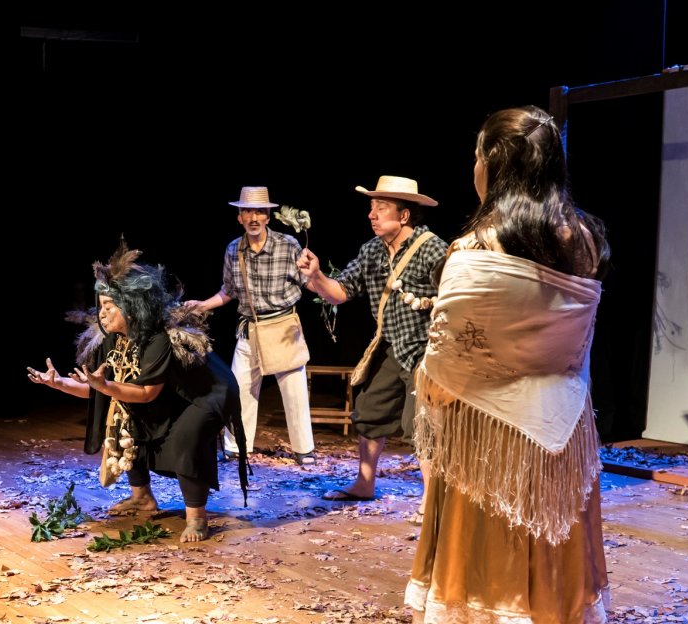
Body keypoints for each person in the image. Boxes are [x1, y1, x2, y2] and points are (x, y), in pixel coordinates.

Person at [404, 105, 611, 624]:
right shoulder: (585, 240)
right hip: (563, 427)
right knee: (551, 548)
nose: (473, 166)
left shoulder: (474, 249)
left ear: (493, 164)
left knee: (487, 559)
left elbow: (447, 360)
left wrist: (436, 405)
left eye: (477, 155)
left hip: (487, 436)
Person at [26, 240, 248, 543]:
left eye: (109, 307)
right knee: (129, 420)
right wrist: (59, 383)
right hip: (170, 391)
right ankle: (142, 497)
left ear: (132, 307)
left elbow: (145, 393)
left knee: (186, 438)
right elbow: (99, 389)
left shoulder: (157, 338)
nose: (102, 314)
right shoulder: (112, 337)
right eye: (101, 306)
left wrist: (105, 386)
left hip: (206, 393)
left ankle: (197, 517)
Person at [297, 176, 447, 501]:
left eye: (381, 207)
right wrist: (316, 276)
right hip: (391, 345)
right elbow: (340, 293)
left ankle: (433, 499)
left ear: (404, 215)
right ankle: (364, 484)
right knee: (369, 410)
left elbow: (455, 296)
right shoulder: (372, 250)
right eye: (371, 207)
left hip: (427, 350)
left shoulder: (432, 248)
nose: (371, 214)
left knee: (422, 421)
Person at [187, 186, 316, 466]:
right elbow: (228, 290)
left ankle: (304, 449)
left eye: (259, 212)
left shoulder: (288, 245)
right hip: (250, 329)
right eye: (248, 212)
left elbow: (309, 281)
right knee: (241, 389)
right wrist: (203, 305)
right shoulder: (234, 249)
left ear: (268, 217)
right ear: (240, 217)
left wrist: (326, 284)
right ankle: (236, 446)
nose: (254, 218)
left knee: (293, 390)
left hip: (282, 327)